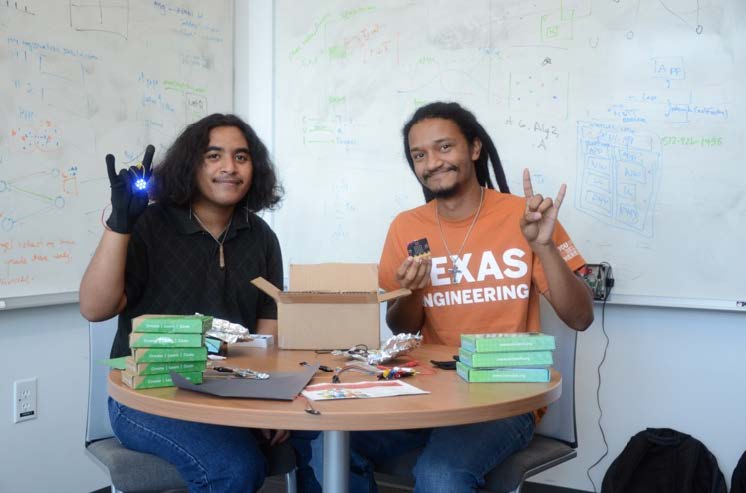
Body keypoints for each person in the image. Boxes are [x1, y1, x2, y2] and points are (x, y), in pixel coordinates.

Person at [310, 101, 594, 492]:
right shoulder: (406, 226)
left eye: (445, 147)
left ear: (474, 149)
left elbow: (581, 318)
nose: (432, 163)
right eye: (419, 155)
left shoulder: (526, 217)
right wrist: (412, 292)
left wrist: (543, 247)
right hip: (426, 391)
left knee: (440, 474)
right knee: (327, 442)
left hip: (505, 395)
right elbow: (401, 326)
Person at [79, 113, 319, 493]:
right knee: (236, 466)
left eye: (241, 157)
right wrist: (120, 224)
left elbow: (266, 335)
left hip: (229, 394)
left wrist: (269, 404)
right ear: (191, 163)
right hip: (149, 397)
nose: (229, 167)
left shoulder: (260, 236)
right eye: (214, 156)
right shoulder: (148, 224)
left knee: (315, 435)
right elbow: (95, 308)